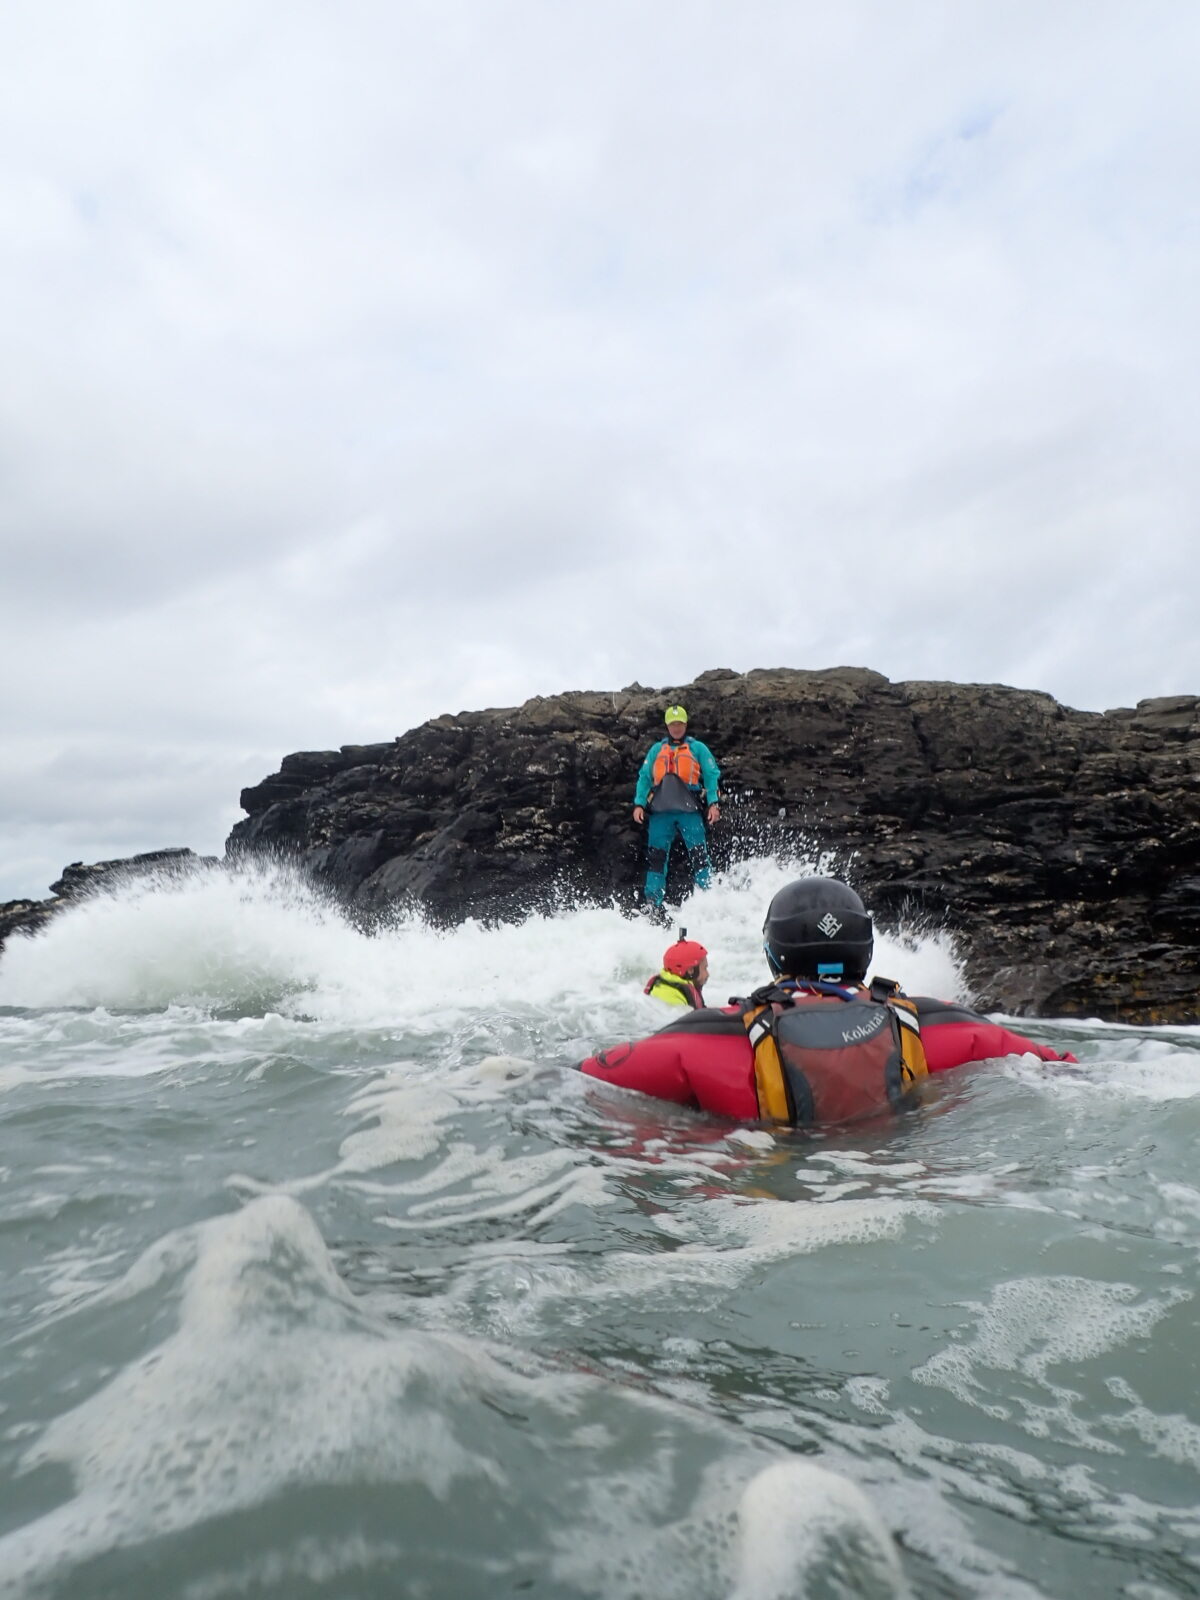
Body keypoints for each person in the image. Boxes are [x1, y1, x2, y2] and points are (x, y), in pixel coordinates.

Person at [581, 877, 1076, 1127]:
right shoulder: (943, 1028)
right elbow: (1063, 1067)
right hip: (900, 1188)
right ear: (865, 950)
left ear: (774, 953)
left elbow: (575, 1083)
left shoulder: (704, 1042)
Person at [633, 705, 721, 910]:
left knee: (699, 854)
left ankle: (709, 899)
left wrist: (713, 804)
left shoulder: (697, 748)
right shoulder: (656, 750)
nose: (676, 728)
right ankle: (652, 903)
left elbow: (711, 775)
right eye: (673, 724)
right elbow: (644, 778)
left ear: (685, 724)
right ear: (667, 725)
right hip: (660, 810)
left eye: (680, 723)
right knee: (656, 857)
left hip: (688, 808)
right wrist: (639, 804)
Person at [645, 937, 709, 1008]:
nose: (708, 974)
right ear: (690, 970)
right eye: (705, 968)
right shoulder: (673, 1001)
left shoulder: (666, 986)